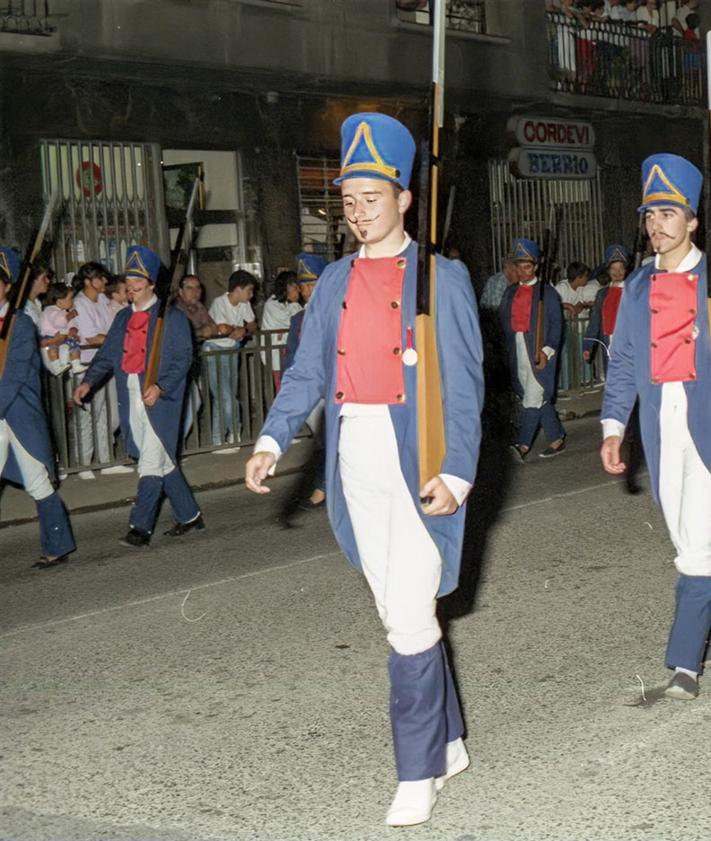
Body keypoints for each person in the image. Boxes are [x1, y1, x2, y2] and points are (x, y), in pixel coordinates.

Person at [246, 112, 484, 827]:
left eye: (370, 198)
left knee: (407, 621)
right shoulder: (336, 281)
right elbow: (307, 370)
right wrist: (270, 438)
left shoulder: (438, 277)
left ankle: (417, 772)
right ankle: (447, 738)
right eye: (347, 200)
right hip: (356, 457)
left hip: (419, 461)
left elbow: (466, 384)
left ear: (404, 198)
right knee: (401, 610)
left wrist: (458, 471)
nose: (356, 213)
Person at [601, 153, 711, 700]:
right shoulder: (639, 287)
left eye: (668, 213)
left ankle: (684, 664)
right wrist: (612, 426)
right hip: (664, 430)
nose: (655, 225)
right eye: (649, 215)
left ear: (692, 220)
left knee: (698, 547)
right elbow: (621, 360)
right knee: (688, 539)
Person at [73, 246, 204, 547]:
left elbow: (182, 359)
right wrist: (88, 383)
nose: (132, 290)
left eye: (138, 284)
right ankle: (190, 514)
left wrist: (161, 386)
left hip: (162, 401)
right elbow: (106, 357)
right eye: (128, 284)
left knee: (149, 461)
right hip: (131, 394)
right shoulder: (121, 320)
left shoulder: (171, 318)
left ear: (152, 285)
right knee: (163, 461)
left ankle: (140, 527)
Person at [0, 246, 75, 569]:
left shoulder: (21, 326)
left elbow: (14, 378)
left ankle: (58, 545)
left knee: (37, 482)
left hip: (18, 413)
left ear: (7, 286)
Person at [500, 238, 566, 460]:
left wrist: (546, 352)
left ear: (536, 266)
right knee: (533, 395)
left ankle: (523, 445)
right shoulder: (509, 294)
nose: (522, 271)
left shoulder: (547, 294)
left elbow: (557, 326)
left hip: (539, 352)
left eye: (527, 266)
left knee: (532, 397)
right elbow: (503, 326)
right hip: (517, 350)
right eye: (519, 266)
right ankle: (556, 437)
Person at [283, 252, 328, 509]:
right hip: (309, 391)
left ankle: (323, 487)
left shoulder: (336, 314)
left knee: (330, 440)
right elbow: (291, 357)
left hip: (332, 389)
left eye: (312, 283)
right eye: (303, 285)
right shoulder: (297, 320)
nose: (307, 289)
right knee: (323, 440)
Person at [205, 270, 257, 448]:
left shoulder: (244, 304)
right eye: (249, 290)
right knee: (224, 396)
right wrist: (239, 329)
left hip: (232, 350)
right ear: (238, 289)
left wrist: (244, 330)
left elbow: (252, 323)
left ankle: (219, 439)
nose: (251, 295)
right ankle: (232, 431)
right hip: (215, 350)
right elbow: (223, 328)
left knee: (225, 395)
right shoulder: (219, 303)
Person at [72, 261, 115, 474]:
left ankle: (105, 461)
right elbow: (92, 337)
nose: (105, 281)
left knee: (102, 413)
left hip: (102, 363)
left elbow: (110, 330)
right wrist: (116, 340)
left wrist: (113, 339)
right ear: (89, 281)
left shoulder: (102, 300)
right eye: (101, 277)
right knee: (86, 415)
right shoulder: (80, 303)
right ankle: (84, 464)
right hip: (85, 366)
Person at [583, 244, 631, 369]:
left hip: (630, 342)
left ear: (626, 270)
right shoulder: (602, 294)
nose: (617, 272)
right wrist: (588, 346)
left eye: (621, 268)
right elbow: (594, 322)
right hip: (608, 341)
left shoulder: (633, 291)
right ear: (608, 271)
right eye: (613, 269)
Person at [260, 270, 302, 391]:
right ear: (287, 287)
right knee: (282, 387)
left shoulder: (291, 304)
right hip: (275, 353)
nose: (298, 291)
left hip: (288, 351)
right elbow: (292, 321)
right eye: (295, 287)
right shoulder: (272, 304)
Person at [39, 281, 86, 375]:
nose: (73, 301)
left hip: (63, 337)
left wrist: (73, 329)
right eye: (70, 299)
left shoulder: (65, 311)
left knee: (74, 344)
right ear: (59, 302)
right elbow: (58, 323)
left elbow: (72, 323)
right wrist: (69, 316)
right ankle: (56, 366)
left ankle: (76, 364)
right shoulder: (50, 310)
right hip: (51, 336)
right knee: (53, 349)